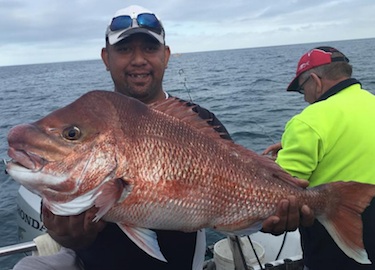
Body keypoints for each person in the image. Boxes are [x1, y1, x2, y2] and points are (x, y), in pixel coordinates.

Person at [13, 5, 312, 270]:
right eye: (125, 49)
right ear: (106, 57)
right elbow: (61, 218)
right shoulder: (89, 117)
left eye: (150, 49)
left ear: (166, 56)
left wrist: (278, 205)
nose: (138, 60)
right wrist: (66, 233)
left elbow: (240, 182)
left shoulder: (202, 121)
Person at [263, 46, 375, 270]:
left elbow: (277, 192)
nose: (304, 98)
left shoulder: (309, 121)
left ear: (315, 80)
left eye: (302, 89)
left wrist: (267, 165)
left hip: (339, 241)